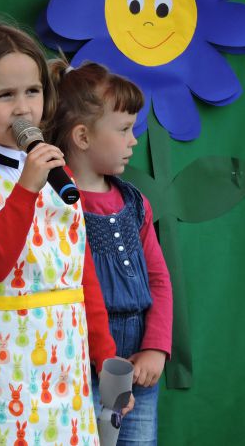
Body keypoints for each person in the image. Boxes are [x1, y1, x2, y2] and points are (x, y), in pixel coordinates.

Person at [0, 23, 128, 445]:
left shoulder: (59, 174)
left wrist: (104, 355)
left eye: (32, 91)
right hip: (2, 367)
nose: (23, 108)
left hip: (66, 359)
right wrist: (26, 188)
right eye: (5, 95)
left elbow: (81, 275)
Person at [45, 58, 173, 445]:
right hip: (75, 361)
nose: (133, 140)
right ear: (83, 137)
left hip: (136, 364)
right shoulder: (51, 204)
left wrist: (155, 347)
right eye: (124, 129)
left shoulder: (135, 204)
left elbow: (158, 279)